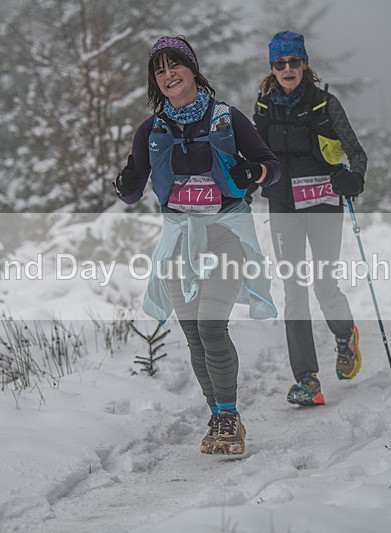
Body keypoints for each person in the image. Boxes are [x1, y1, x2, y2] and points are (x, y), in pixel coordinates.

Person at [114, 35, 281, 454]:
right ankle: (218, 416)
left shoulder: (227, 117)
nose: (168, 75)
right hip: (179, 242)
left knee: (211, 326)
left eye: (175, 65)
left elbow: (272, 168)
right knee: (193, 335)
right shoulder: (151, 129)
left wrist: (252, 174)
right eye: (160, 69)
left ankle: (229, 415)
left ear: (192, 68)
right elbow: (133, 189)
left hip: (225, 235)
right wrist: (127, 182)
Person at [252, 31, 367, 406]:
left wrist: (354, 177)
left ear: (305, 65)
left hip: (322, 203)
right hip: (283, 205)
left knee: (322, 284)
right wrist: (244, 176)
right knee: (294, 291)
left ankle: (345, 336)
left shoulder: (325, 104)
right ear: (273, 68)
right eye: (280, 63)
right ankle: (307, 380)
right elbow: (255, 156)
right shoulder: (265, 108)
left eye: (294, 62)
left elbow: (357, 153)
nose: (288, 69)